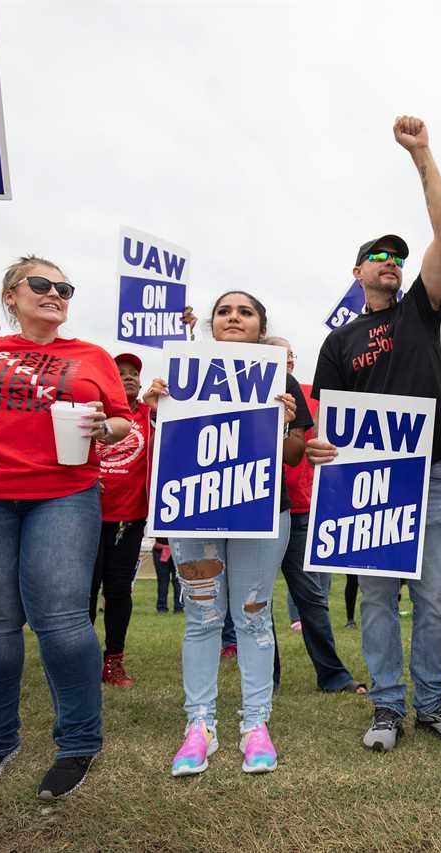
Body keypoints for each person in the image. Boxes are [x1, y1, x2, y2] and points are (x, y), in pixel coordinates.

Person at [0, 257, 133, 799]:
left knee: (64, 621)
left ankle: (78, 744)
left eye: (64, 287)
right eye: (41, 284)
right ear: (11, 296)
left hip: (63, 494)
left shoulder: (91, 357)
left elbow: (121, 421)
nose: (55, 293)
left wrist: (103, 427)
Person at [307, 115, 441, 754]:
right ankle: (386, 708)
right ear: (357, 271)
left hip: (425, 474)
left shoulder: (419, 312)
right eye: (379, 257)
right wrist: (321, 448)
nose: (391, 263)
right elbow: (325, 422)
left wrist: (422, 154)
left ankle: (431, 702)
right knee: (376, 602)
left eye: (397, 258)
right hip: (361, 484)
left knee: (433, 600)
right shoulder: (338, 342)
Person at [161, 290, 312, 777]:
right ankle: (199, 725)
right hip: (195, 510)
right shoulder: (186, 369)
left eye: (244, 312)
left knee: (252, 616)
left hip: (264, 511)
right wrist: (156, 403)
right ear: (213, 322)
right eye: (224, 311)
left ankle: (255, 725)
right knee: (203, 618)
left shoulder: (280, 378)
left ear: (260, 326)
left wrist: (287, 421)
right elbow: (170, 441)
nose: (233, 317)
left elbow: (293, 456)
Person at [262, 334, 365, 695]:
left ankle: (333, 675)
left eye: (290, 355)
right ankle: (266, 678)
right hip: (258, 507)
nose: (285, 360)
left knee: (312, 597)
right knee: (256, 598)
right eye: (277, 354)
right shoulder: (242, 389)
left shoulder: (303, 391)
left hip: (302, 508)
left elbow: (331, 425)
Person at [88, 352, 155, 689]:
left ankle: (113, 660)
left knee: (118, 590)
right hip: (85, 515)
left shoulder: (150, 415)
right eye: (120, 372)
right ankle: (81, 660)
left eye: (134, 373)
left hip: (129, 519)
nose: (128, 377)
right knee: (85, 590)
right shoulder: (91, 410)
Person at [153, 538, 183, 614]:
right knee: (162, 581)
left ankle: (179, 607)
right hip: (160, 550)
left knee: (178, 581)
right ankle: (161, 607)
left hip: (179, 549)